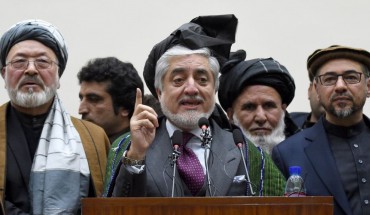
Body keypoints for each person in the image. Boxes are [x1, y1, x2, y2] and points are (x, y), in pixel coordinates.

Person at [112, 14, 284, 197]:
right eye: (178, 80)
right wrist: (137, 155)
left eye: (202, 80)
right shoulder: (126, 146)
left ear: (214, 89)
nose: (192, 89)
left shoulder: (245, 150)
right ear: (160, 91)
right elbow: (115, 209)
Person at [0, 19, 110, 214]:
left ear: (58, 75)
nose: (31, 69)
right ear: (4, 75)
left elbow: (109, 201)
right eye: (19, 61)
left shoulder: (94, 137)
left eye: (42, 61)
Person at [272, 45, 370, 215]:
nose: (340, 86)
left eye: (351, 77)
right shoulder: (288, 153)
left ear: (368, 87)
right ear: (316, 90)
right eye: (329, 79)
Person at [77, 57, 144, 196]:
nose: (81, 109)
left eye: (93, 99)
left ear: (125, 107)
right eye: (81, 98)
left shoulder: (146, 149)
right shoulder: (75, 145)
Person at [218, 50, 299, 154]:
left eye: (269, 106)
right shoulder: (215, 157)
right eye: (249, 107)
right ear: (231, 114)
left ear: (283, 110)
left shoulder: (305, 153)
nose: (261, 118)